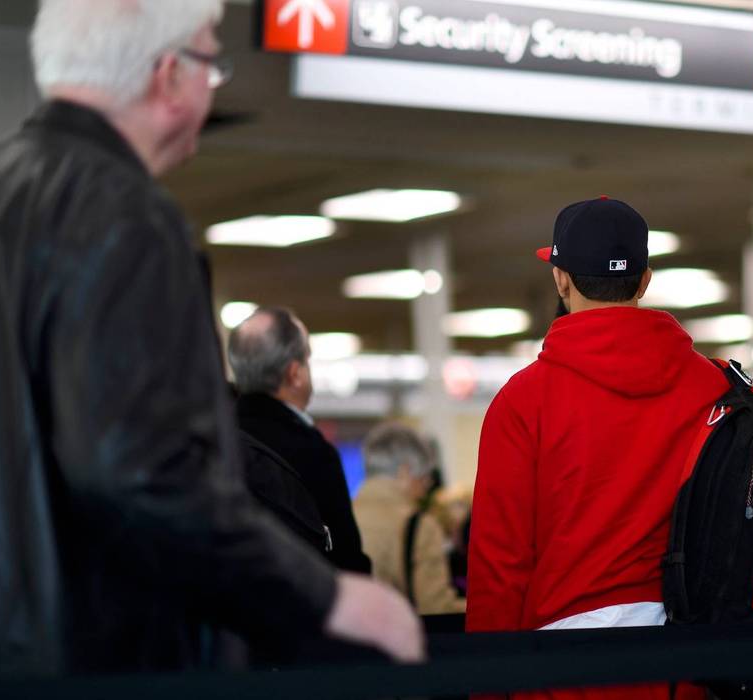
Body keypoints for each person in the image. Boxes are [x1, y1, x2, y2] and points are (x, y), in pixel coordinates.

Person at [0, 0, 420, 682]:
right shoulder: (125, 217)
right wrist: (326, 597)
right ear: (168, 75)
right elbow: (142, 470)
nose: (214, 86)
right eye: (212, 62)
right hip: (85, 656)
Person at [467, 196, 727, 699]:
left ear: (560, 279)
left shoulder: (522, 402)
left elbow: (499, 568)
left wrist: (486, 685)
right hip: (688, 666)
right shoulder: (714, 388)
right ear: (645, 279)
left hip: (561, 675)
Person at [228, 307, 372, 574]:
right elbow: (347, 559)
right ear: (295, 373)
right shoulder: (313, 453)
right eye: (307, 360)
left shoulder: (219, 441)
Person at [353, 423, 467, 615]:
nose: (427, 487)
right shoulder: (418, 525)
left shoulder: (339, 517)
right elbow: (435, 607)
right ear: (404, 472)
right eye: (424, 477)